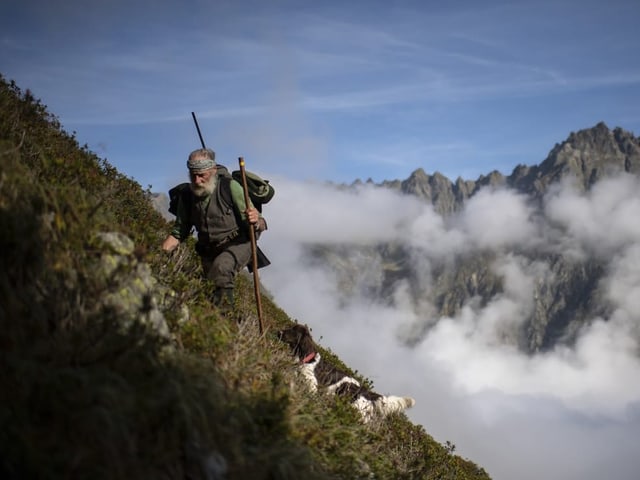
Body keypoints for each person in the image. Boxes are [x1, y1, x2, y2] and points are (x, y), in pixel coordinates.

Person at [162, 148, 267, 310]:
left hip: (239, 243)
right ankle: (214, 325)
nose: (197, 180)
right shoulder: (187, 196)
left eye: (201, 175)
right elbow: (179, 231)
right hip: (208, 250)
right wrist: (160, 254)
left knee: (222, 269)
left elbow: (260, 222)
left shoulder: (230, 187)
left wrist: (255, 219)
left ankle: (227, 324)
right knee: (209, 289)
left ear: (212, 171)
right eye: (193, 175)